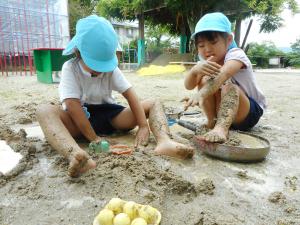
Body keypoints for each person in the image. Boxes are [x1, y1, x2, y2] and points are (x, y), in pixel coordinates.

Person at [36, 15, 194, 178]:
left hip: (110, 117)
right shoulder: (70, 68)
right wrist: (94, 139)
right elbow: (72, 105)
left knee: (154, 102)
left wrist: (143, 125)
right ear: (79, 51)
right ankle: (76, 154)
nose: (101, 69)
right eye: (96, 64)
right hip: (79, 121)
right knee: (44, 110)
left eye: (104, 64)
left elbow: (130, 94)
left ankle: (164, 141)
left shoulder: (110, 69)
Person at [183, 12, 266, 143]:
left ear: (228, 40)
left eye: (213, 42)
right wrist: (194, 71)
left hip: (247, 113)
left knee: (228, 86)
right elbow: (188, 86)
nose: (207, 49)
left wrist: (201, 94)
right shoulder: (205, 62)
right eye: (201, 45)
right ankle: (212, 121)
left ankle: (221, 129)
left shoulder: (236, 54)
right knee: (204, 80)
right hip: (222, 112)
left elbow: (223, 75)